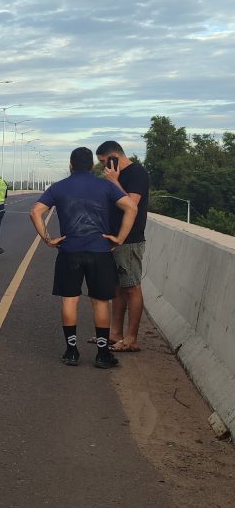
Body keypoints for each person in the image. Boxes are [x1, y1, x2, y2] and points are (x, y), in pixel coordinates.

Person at [29, 147, 138, 369]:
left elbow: (35, 212)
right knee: (100, 302)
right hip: (99, 251)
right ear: (91, 165)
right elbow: (131, 208)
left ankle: (71, 351)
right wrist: (119, 238)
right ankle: (102, 354)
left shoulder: (59, 187)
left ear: (70, 165)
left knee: (70, 300)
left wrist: (48, 239)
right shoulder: (105, 185)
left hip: (69, 251)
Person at [96, 140, 150, 352]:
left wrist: (114, 181)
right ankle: (115, 334)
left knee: (131, 287)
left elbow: (131, 205)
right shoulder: (114, 176)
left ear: (114, 158)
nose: (103, 166)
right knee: (117, 288)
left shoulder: (137, 173)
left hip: (129, 240)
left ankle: (131, 338)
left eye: (104, 161)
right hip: (113, 238)